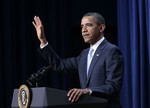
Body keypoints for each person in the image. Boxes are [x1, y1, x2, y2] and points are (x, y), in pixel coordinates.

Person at [32, 12, 124, 108]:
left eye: (88, 25)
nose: (83, 30)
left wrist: (87, 90)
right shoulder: (84, 54)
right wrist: (43, 40)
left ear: (101, 28)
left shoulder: (111, 51)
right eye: (82, 26)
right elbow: (60, 65)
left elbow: (113, 87)